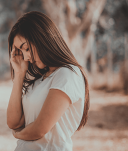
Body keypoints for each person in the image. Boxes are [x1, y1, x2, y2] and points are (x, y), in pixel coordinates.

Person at [7, 11, 89, 151]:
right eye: (22, 52)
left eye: (26, 48)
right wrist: (20, 74)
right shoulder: (39, 79)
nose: (26, 57)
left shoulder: (68, 73)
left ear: (42, 38)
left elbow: (39, 129)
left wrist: (17, 135)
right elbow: (14, 122)